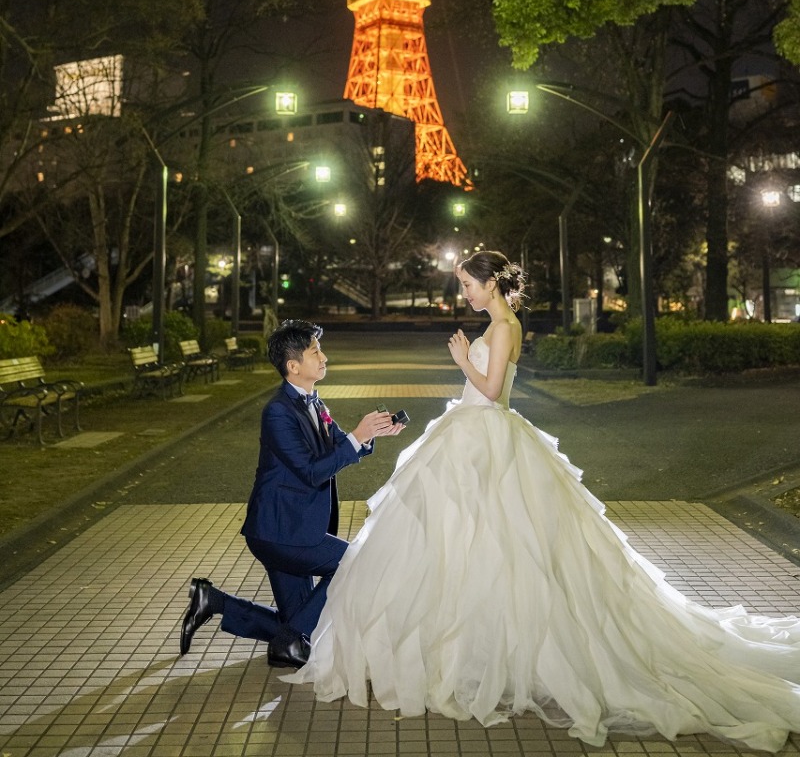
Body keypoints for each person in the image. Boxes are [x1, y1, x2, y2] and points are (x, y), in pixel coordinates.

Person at [286, 250, 800, 752]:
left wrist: (464, 360)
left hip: (483, 437)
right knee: (467, 544)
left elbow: (490, 392)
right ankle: (465, 647)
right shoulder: (500, 321)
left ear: (490, 284)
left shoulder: (504, 325)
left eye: (467, 284)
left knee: (498, 543)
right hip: (473, 437)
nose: (463, 292)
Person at [179, 318, 404, 669]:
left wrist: (372, 434)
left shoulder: (314, 402)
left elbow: (338, 448)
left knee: (298, 627)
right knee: (357, 561)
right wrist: (356, 437)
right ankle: (286, 644)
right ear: (293, 366)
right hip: (281, 532)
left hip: (293, 528)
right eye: (316, 352)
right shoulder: (278, 412)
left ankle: (215, 602)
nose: (324, 358)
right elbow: (312, 471)